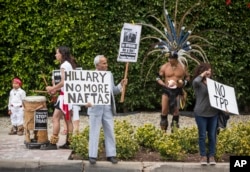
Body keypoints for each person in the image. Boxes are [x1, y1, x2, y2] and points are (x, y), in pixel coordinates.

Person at [87, 55, 127, 164]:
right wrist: (86, 102)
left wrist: (121, 85)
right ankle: (92, 155)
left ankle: (111, 155)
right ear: (97, 65)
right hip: (95, 107)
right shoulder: (90, 76)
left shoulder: (109, 75)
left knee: (110, 130)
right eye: (104, 63)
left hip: (107, 107)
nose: (106, 65)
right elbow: (85, 92)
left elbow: (113, 90)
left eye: (106, 62)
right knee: (94, 131)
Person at [41, 46, 76, 150]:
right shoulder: (69, 64)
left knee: (55, 118)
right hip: (69, 95)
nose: (55, 55)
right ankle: (69, 143)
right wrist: (55, 89)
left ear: (62, 54)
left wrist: (53, 87)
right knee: (68, 119)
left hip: (64, 97)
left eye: (57, 53)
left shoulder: (64, 65)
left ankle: (53, 143)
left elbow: (63, 82)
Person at [192, 62, 219, 165]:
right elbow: (195, 81)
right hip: (201, 113)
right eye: (207, 70)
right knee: (202, 135)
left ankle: (211, 156)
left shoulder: (214, 84)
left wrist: (225, 108)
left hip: (213, 114)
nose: (209, 72)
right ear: (201, 72)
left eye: (210, 70)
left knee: (212, 135)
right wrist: (203, 74)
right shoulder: (198, 83)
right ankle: (203, 156)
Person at [156, 51, 189, 131]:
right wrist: (163, 84)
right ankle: (163, 131)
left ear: (176, 59)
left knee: (176, 111)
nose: (170, 60)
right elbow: (157, 78)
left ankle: (174, 132)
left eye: (172, 58)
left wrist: (183, 83)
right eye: (169, 58)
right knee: (164, 110)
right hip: (166, 90)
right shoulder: (164, 67)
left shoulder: (182, 67)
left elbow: (188, 77)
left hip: (177, 91)